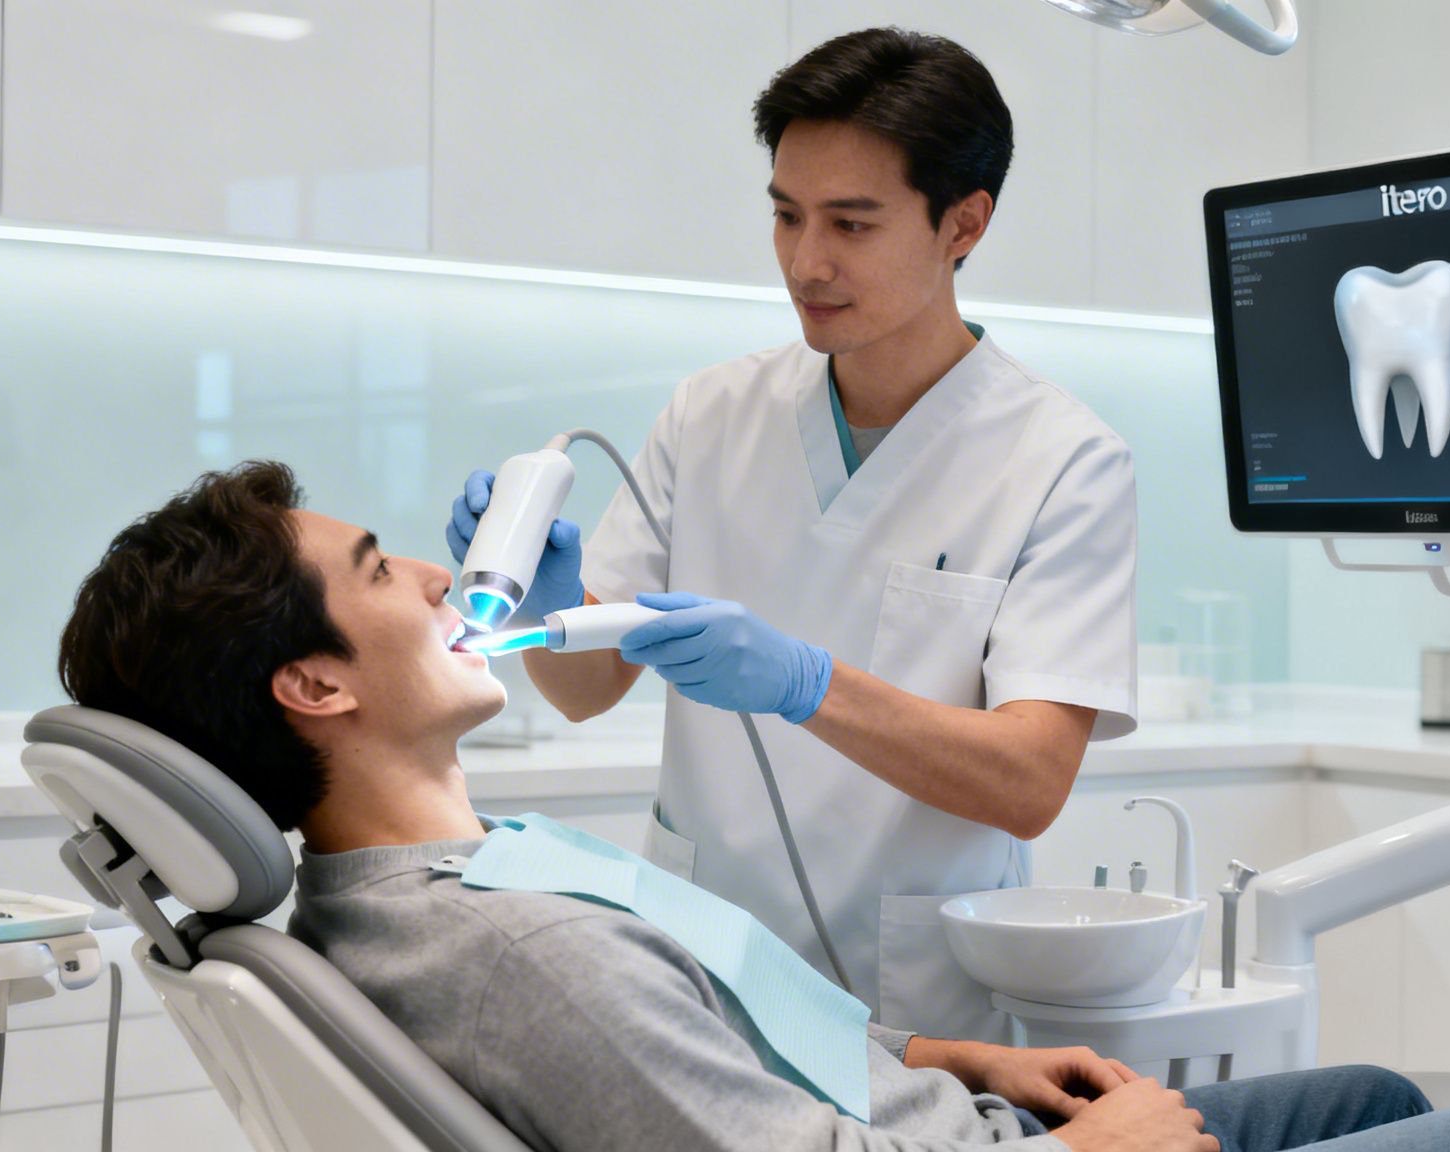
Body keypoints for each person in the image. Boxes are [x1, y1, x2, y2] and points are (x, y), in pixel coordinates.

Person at [60, 461, 1450, 1152]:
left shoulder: (461, 882)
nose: (429, 570)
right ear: (316, 689)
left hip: (937, 1110)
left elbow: (715, 1042)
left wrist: (948, 1056)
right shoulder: (504, 954)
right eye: (373, 573)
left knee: (1373, 1084)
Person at [448, 26, 1137, 1041]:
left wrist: (803, 684)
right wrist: (552, 604)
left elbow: (1029, 782)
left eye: (851, 224)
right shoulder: (711, 412)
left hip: (915, 1003)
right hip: (698, 974)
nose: (805, 261)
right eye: (785, 216)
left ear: (963, 225)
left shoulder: (1063, 460)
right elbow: (585, 690)